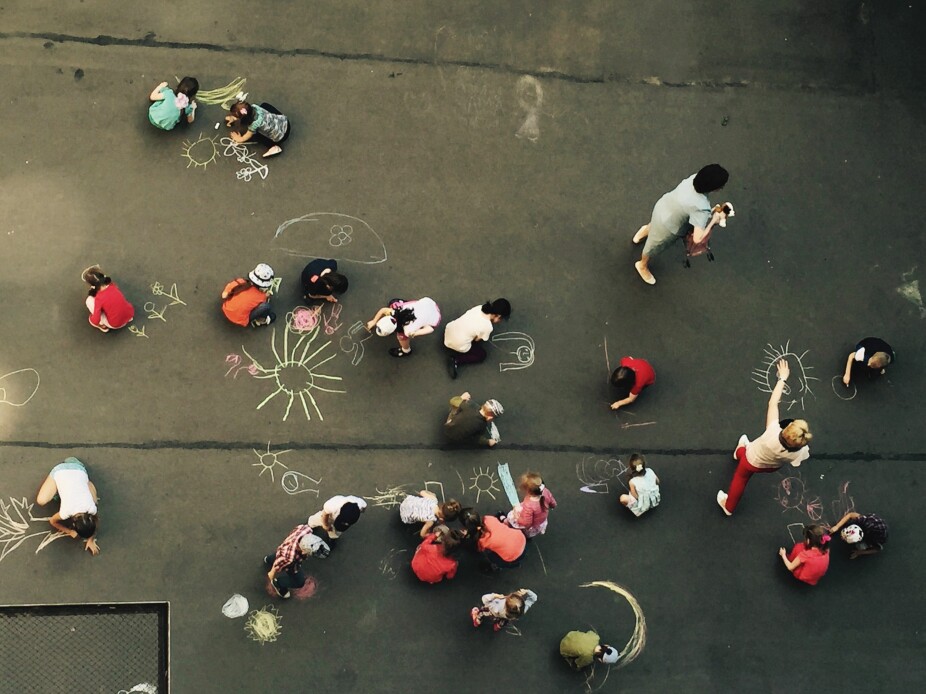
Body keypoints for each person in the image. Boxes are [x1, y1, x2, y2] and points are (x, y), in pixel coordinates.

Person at [717, 359, 812, 516]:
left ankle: (729, 506)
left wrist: (782, 378)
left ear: (787, 429)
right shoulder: (798, 452)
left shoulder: (772, 432)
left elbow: (773, 403)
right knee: (744, 453)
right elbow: (796, 461)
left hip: (752, 459)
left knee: (740, 478)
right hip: (770, 466)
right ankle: (739, 451)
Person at [632, 164, 730, 285]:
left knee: (654, 225)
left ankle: (645, 231)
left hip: (663, 207)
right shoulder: (702, 208)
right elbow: (698, 239)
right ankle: (642, 265)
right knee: (653, 247)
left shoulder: (692, 179)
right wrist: (714, 220)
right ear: (715, 188)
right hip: (669, 227)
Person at [35, 457, 100, 556]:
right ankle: (62, 485)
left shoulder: (92, 508)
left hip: (79, 469)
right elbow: (53, 521)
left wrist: (90, 539)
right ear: (73, 524)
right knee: (41, 500)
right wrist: (69, 531)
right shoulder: (66, 511)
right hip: (61, 470)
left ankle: (83, 481)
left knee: (94, 500)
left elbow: (95, 524)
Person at [444, 298, 511, 378]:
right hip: (457, 344)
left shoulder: (479, 308)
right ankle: (456, 360)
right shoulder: (487, 327)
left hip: (449, 331)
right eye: (501, 319)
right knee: (481, 355)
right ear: (498, 316)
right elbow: (476, 339)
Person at [264, 524, 330, 599]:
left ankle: (269, 559)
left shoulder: (306, 530)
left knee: (279, 555)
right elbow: (278, 563)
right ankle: (278, 584)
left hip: (285, 548)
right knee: (299, 582)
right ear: (304, 551)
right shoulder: (290, 558)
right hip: (288, 557)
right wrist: (272, 573)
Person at [365, 297, 441, 358]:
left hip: (435, 317)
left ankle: (406, 351)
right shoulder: (396, 310)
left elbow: (430, 329)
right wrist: (374, 321)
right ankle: (402, 301)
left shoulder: (408, 330)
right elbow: (383, 310)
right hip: (428, 303)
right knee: (394, 304)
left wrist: (416, 333)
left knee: (402, 337)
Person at [462, 509, 527, 572]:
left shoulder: (482, 540)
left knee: (493, 558)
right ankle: (515, 563)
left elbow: (479, 549)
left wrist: (466, 537)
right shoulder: (488, 518)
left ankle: (497, 567)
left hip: (511, 555)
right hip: (520, 539)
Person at [226, 100, 290, 158]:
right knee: (264, 105)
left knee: (255, 136)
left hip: (281, 136)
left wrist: (239, 139)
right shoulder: (255, 107)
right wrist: (235, 117)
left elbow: (245, 137)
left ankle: (273, 147)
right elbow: (244, 115)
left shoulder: (254, 125)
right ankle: (276, 118)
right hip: (284, 121)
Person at [82, 265, 134, 333]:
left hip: (116, 324)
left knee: (89, 301)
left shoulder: (99, 299)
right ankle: (128, 318)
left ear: (92, 286)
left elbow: (96, 319)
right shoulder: (113, 286)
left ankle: (102, 325)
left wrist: (91, 320)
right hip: (130, 313)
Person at [221, 263, 275, 328]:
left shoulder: (240, 281)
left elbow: (224, 295)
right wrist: (267, 295)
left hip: (226, 309)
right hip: (240, 320)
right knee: (266, 306)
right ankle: (259, 321)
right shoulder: (261, 296)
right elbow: (262, 301)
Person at [505, 471, 557, 538]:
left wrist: (517, 518)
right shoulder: (545, 491)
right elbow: (552, 501)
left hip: (532, 524)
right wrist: (553, 505)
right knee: (535, 528)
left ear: (528, 491)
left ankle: (511, 527)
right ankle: (534, 533)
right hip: (541, 520)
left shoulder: (529, 505)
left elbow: (527, 523)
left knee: (512, 515)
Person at [470, 588, 537, 632]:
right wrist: (528, 591)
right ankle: (498, 626)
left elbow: (484, 599)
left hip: (491, 612)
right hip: (505, 618)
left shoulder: (497, 604)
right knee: (503, 621)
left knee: (481, 613)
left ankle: (477, 621)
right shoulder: (521, 612)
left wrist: (495, 595)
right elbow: (533, 599)